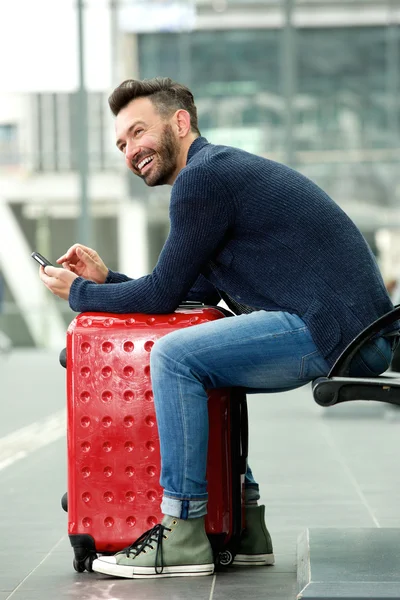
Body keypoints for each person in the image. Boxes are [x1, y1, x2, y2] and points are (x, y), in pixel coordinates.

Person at [38, 77, 398, 580]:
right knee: (207, 344)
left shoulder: (202, 179)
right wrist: (105, 281)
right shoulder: (216, 175)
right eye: (121, 144)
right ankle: (245, 523)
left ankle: (183, 531)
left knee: (177, 357)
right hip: (357, 332)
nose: (130, 151)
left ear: (180, 122)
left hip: (339, 334)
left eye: (138, 132)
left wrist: (79, 295)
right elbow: (189, 293)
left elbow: (163, 294)